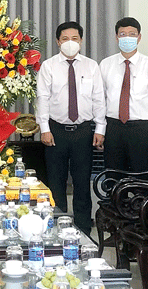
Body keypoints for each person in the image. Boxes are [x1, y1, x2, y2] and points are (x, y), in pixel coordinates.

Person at [36, 21, 105, 236]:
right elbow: (42, 99)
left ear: (81, 41)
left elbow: (99, 99)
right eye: (65, 39)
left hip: (83, 131)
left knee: (82, 182)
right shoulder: (48, 66)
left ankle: (83, 229)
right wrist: (44, 128)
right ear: (58, 42)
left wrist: (100, 128)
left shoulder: (91, 66)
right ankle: (57, 228)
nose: (70, 43)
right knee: (55, 182)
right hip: (55, 131)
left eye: (74, 39)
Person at [99, 17, 148, 179]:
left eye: (132, 34)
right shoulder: (105, 64)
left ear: (139, 37)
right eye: (123, 34)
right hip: (114, 128)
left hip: (141, 129)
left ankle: (142, 205)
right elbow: (100, 100)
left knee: (143, 179)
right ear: (116, 37)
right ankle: (113, 205)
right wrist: (100, 130)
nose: (127, 38)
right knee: (113, 178)